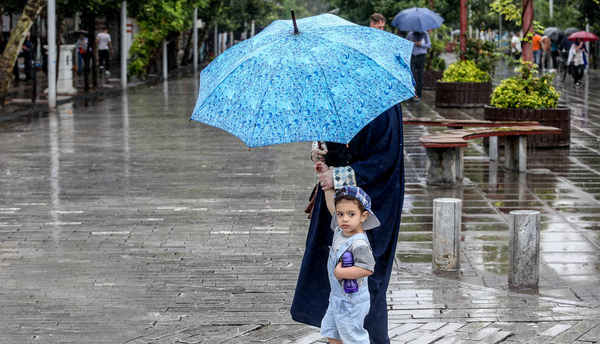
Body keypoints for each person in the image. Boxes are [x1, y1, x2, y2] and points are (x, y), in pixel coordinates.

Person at [290, 100, 405, 344]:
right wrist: (320, 150)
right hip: (336, 201)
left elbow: (385, 158)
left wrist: (338, 175)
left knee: (366, 284)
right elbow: (335, 141)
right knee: (333, 284)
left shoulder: (383, 104)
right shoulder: (335, 94)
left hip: (370, 203)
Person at [314, 183, 377, 344]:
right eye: (340, 214)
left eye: (351, 214)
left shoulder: (359, 243)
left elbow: (367, 268)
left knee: (353, 338)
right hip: (337, 297)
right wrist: (327, 187)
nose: (345, 219)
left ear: (363, 216)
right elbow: (331, 206)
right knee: (333, 332)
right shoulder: (340, 231)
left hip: (351, 301)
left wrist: (341, 273)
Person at [406, 30, 431, 101]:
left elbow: (429, 45)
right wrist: (410, 43)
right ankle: (410, 94)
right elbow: (405, 44)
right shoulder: (410, 34)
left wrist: (421, 44)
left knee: (420, 75)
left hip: (421, 56)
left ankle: (419, 95)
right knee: (410, 75)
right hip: (412, 56)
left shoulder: (424, 34)